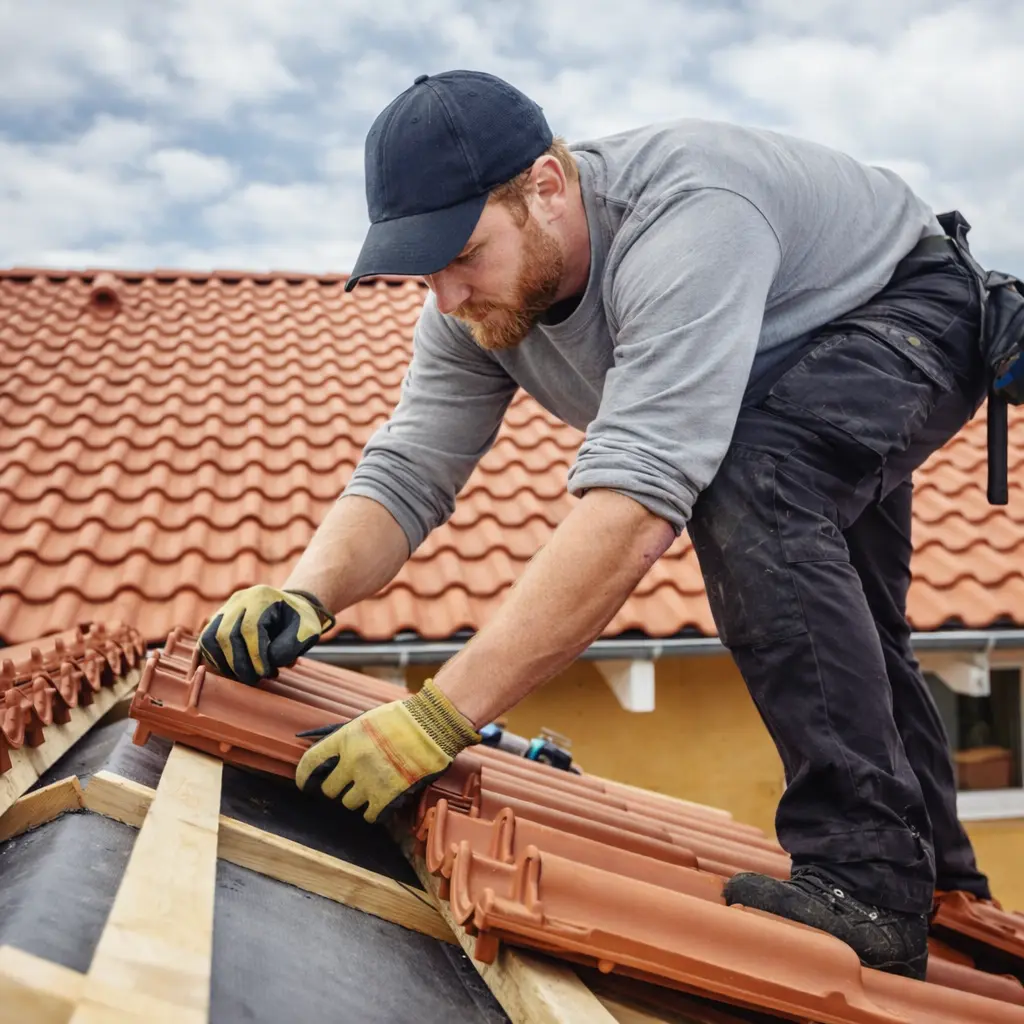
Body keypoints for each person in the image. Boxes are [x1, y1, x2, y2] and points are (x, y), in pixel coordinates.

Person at [198, 69, 999, 980]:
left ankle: (867, 879)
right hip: (779, 366)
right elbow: (412, 463)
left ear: (546, 185)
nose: (447, 295)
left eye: (462, 254)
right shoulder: (469, 308)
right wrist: (308, 590)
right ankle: (938, 877)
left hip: (905, 308)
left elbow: (635, 506)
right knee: (845, 611)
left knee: (755, 484)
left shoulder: (689, 218)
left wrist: (437, 719)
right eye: (425, 268)